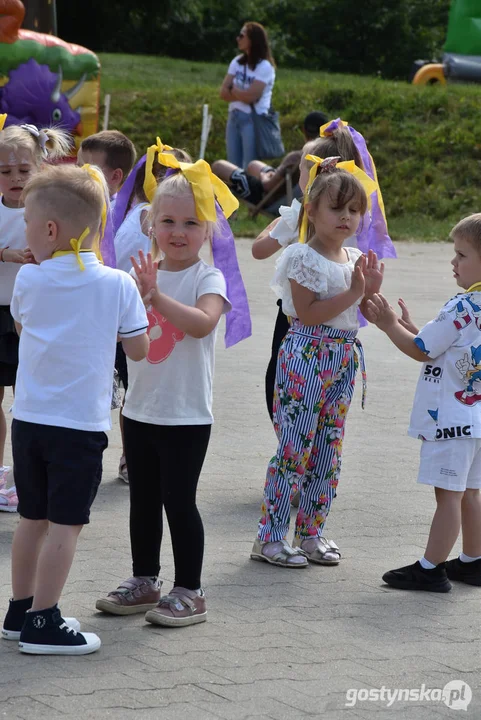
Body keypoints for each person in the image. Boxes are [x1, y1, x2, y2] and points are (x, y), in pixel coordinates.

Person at [1, 164, 149, 654]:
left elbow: (24, 330)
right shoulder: (118, 284)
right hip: (78, 426)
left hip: (29, 420)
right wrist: (141, 304)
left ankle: (20, 610)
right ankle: (45, 622)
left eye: (25, 223)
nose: (24, 234)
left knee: (32, 518)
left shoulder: (29, 279)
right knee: (66, 525)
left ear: (50, 230)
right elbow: (138, 351)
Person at [95, 157, 243, 626]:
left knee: (179, 502)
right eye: (168, 222)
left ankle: (190, 589)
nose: (178, 232)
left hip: (186, 416)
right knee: (142, 501)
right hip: (139, 412)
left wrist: (155, 297)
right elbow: (126, 339)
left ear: (209, 230)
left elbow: (201, 324)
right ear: (150, 224)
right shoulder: (139, 277)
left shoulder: (208, 279)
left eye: (190, 223)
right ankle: (144, 580)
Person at [250, 157, 384, 568]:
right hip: (307, 354)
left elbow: (352, 312)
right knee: (295, 447)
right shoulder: (302, 258)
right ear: (311, 211)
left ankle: (311, 532)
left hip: (343, 355)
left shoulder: (353, 257)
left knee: (328, 448)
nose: (346, 217)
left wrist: (370, 291)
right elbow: (308, 313)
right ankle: (270, 537)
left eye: (354, 210)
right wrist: (354, 293)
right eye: (336, 208)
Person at [366, 214, 481, 592]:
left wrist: (388, 324)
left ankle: (431, 569)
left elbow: (420, 351)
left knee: (447, 496)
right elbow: (449, 350)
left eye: (461, 255)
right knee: (470, 493)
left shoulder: (462, 307)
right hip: (476, 424)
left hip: (450, 421)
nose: (453, 262)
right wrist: (413, 328)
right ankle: (473, 561)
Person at [252, 120, 395, 423]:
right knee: (318, 422)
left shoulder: (305, 211)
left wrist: (282, 223)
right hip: (330, 327)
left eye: (305, 167)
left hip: (301, 325)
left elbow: (259, 249)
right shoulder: (354, 215)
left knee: (285, 400)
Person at [0, 123, 72, 512]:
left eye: (22, 171)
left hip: (32, 317)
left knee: (26, 398)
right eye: (5, 171)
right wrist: (7, 255)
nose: (14, 178)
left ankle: (23, 477)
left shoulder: (45, 209)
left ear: (39, 166)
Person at [112, 139, 192, 483]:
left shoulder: (132, 213)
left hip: (140, 314)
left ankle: (134, 458)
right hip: (140, 317)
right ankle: (135, 457)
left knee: (140, 389)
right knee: (141, 389)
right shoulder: (146, 220)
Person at [78, 130, 138, 482]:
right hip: (91, 314)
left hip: (122, 315)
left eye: (88, 168)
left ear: (115, 177)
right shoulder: (78, 208)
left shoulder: (131, 216)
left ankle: (131, 457)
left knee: (130, 389)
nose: (79, 173)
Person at [212, 111, 329, 215]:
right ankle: (272, 173)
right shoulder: (328, 159)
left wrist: (264, 177)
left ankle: (226, 211)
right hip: (287, 195)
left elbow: (267, 186)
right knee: (253, 165)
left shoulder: (297, 157)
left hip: (268, 198)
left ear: (303, 130)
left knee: (218, 166)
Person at [220, 21, 276, 169]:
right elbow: (223, 93)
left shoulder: (265, 67)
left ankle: (252, 192)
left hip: (253, 120)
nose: (238, 39)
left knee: (250, 165)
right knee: (233, 166)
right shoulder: (237, 62)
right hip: (234, 117)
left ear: (253, 39)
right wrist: (241, 94)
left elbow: (252, 97)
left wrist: (233, 89)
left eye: (242, 35)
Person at [77, 129, 137, 202]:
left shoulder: (117, 212)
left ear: (115, 176)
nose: (77, 174)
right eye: (78, 167)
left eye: (88, 171)